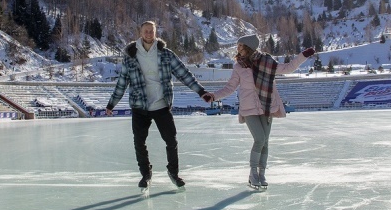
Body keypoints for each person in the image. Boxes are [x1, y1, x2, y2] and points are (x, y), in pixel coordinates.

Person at [203, 34, 315, 190]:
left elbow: (288, 68)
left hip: (266, 105)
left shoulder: (267, 62)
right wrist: (214, 96)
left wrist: (304, 55)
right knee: (259, 139)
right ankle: (253, 173)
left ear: (248, 47)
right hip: (249, 108)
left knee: (265, 142)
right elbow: (230, 87)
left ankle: (262, 173)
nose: (238, 49)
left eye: (241, 46)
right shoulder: (238, 67)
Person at [106, 21, 208, 189]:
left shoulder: (165, 54)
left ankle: (173, 173)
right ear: (140, 33)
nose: (148, 34)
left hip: (161, 104)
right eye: (145, 31)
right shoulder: (130, 56)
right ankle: (146, 175)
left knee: (171, 140)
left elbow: (184, 74)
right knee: (139, 142)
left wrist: (201, 91)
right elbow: (122, 83)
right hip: (140, 106)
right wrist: (111, 104)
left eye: (151, 31)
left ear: (155, 33)